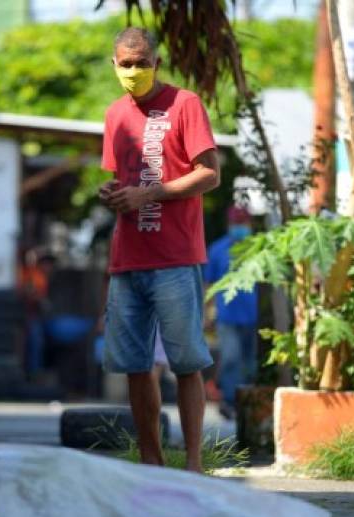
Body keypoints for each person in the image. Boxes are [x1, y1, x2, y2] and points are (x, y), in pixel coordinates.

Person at [99, 27, 220, 472]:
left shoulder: (184, 104)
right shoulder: (115, 115)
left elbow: (210, 175)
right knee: (135, 366)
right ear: (114, 65)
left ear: (157, 63)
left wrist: (149, 195)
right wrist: (112, 192)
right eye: (125, 64)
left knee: (186, 363)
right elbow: (120, 177)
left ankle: (192, 464)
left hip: (175, 256)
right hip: (128, 258)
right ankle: (151, 463)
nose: (133, 71)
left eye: (141, 63)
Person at [203, 206, 259, 420]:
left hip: (253, 317)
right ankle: (229, 400)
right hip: (226, 316)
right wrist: (208, 314)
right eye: (237, 223)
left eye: (243, 223)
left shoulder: (257, 249)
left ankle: (245, 402)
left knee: (250, 362)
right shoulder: (217, 250)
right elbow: (209, 285)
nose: (240, 227)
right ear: (229, 224)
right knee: (231, 358)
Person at [17, 248, 56, 378]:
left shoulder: (41, 278)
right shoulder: (31, 273)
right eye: (46, 263)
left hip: (33, 316)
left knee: (38, 341)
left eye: (50, 263)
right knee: (34, 340)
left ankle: (35, 372)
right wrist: (41, 300)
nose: (49, 266)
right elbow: (27, 292)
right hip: (24, 315)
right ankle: (32, 373)